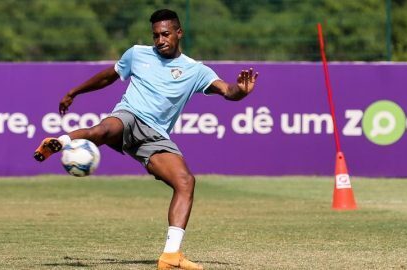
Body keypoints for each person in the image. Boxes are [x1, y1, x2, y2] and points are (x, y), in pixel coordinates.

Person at [34, 9, 258, 270]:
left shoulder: (196, 70)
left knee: (185, 182)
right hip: (129, 115)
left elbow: (228, 90)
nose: (160, 40)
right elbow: (108, 75)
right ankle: (59, 142)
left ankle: (170, 256)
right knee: (102, 131)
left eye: (165, 34)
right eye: (155, 36)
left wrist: (241, 91)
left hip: (155, 137)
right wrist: (74, 92)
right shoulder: (137, 54)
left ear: (178, 33)